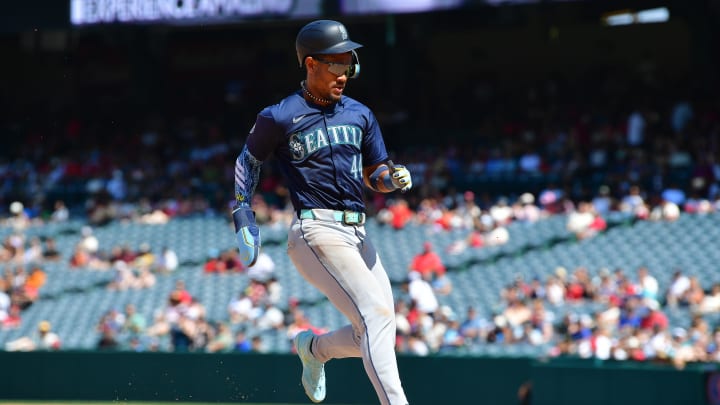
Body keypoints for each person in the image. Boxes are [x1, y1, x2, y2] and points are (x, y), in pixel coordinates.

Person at [230, 19, 412, 405]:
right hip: (316, 230)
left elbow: (374, 174)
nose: (345, 73)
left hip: (359, 232)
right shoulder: (279, 115)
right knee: (376, 316)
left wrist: (391, 179)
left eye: (350, 63)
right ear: (311, 64)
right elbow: (248, 161)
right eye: (337, 63)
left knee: (377, 328)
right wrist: (243, 212)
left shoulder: (360, 113)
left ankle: (314, 350)